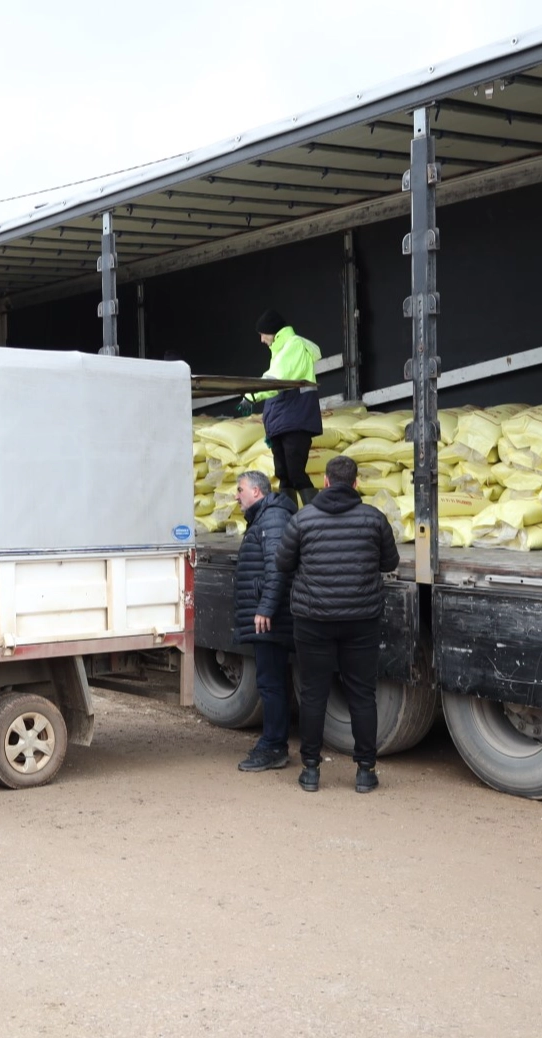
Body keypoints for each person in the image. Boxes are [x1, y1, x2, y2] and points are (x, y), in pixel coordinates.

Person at [274, 454, 400, 794]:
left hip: (313, 619)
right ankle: (365, 772)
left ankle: (311, 771)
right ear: (356, 483)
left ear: (325, 482)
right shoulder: (374, 519)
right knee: (362, 693)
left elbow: (283, 563)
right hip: (361, 619)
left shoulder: (303, 519)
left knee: (314, 692)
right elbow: (390, 561)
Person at [231, 470, 299, 773]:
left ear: (257, 492)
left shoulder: (271, 519)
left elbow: (278, 569)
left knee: (270, 684)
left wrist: (266, 609)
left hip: (270, 619)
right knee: (270, 683)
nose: (237, 495)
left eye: (240, 489)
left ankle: (274, 747)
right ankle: (273, 742)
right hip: (268, 616)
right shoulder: (264, 518)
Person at [238, 309, 323, 508]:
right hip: (283, 423)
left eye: (262, 334)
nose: (261, 340)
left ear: (273, 332)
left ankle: (318, 518)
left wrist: (251, 395)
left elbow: (275, 379)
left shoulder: (293, 346)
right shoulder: (280, 351)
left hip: (295, 421)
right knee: (284, 474)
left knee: (295, 474)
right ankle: (289, 520)